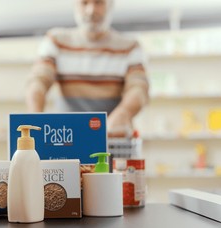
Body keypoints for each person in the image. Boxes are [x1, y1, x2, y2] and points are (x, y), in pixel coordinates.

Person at [25, 0, 149, 137]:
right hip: (66, 138)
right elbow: (38, 80)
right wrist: (35, 119)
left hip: (110, 138)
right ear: (75, 6)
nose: (91, 10)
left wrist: (123, 113)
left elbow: (138, 89)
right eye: (84, 3)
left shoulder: (130, 46)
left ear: (110, 6)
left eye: (99, 2)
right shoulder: (55, 41)